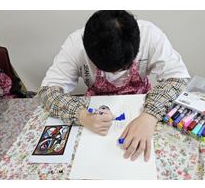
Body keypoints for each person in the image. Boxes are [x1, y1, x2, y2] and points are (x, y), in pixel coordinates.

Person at [38, 10, 190, 162]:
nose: (115, 75)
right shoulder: (75, 44)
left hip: (143, 104)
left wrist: (150, 115)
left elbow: (178, 78)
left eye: (123, 68)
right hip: (96, 108)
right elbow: (47, 92)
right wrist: (82, 115)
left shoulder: (150, 35)